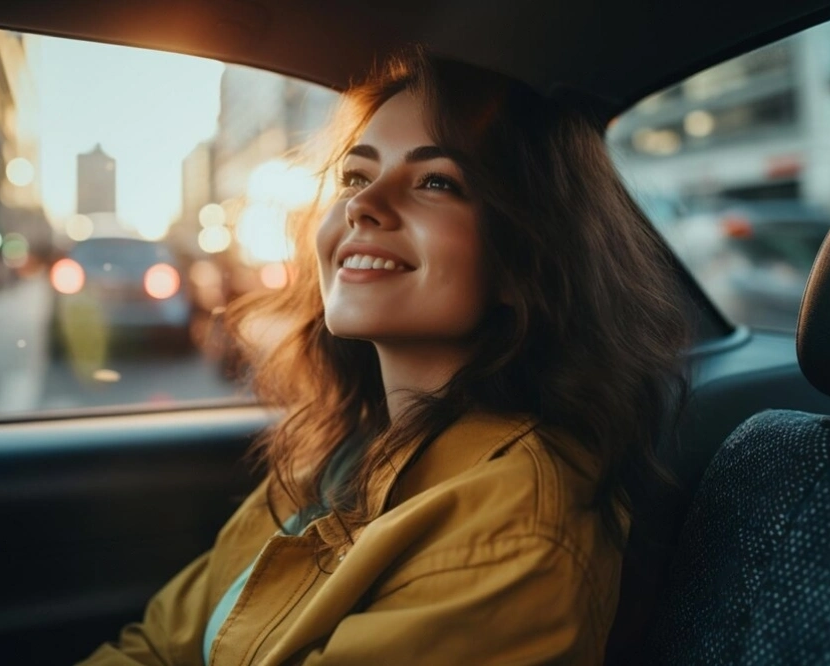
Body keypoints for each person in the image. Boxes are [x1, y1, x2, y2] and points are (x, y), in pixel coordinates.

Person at [81, 48, 688, 665]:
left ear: (524, 259)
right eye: (354, 176)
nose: (362, 204)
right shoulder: (345, 445)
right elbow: (159, 643)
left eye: (436, 182)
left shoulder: (516, 524)